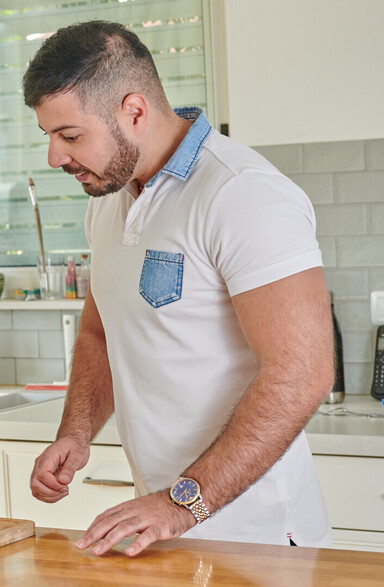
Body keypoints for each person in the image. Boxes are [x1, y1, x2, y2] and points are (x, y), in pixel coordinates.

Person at [21, 21, 334, 556]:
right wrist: (75, 432)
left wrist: (182, 503)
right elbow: (100, 333)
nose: (55, 157)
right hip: (163, 527)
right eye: (48, 136)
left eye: (70, 136)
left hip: (258, 537)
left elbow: (303, 374)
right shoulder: (108, 200)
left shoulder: (243, 193)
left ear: (134, 112)